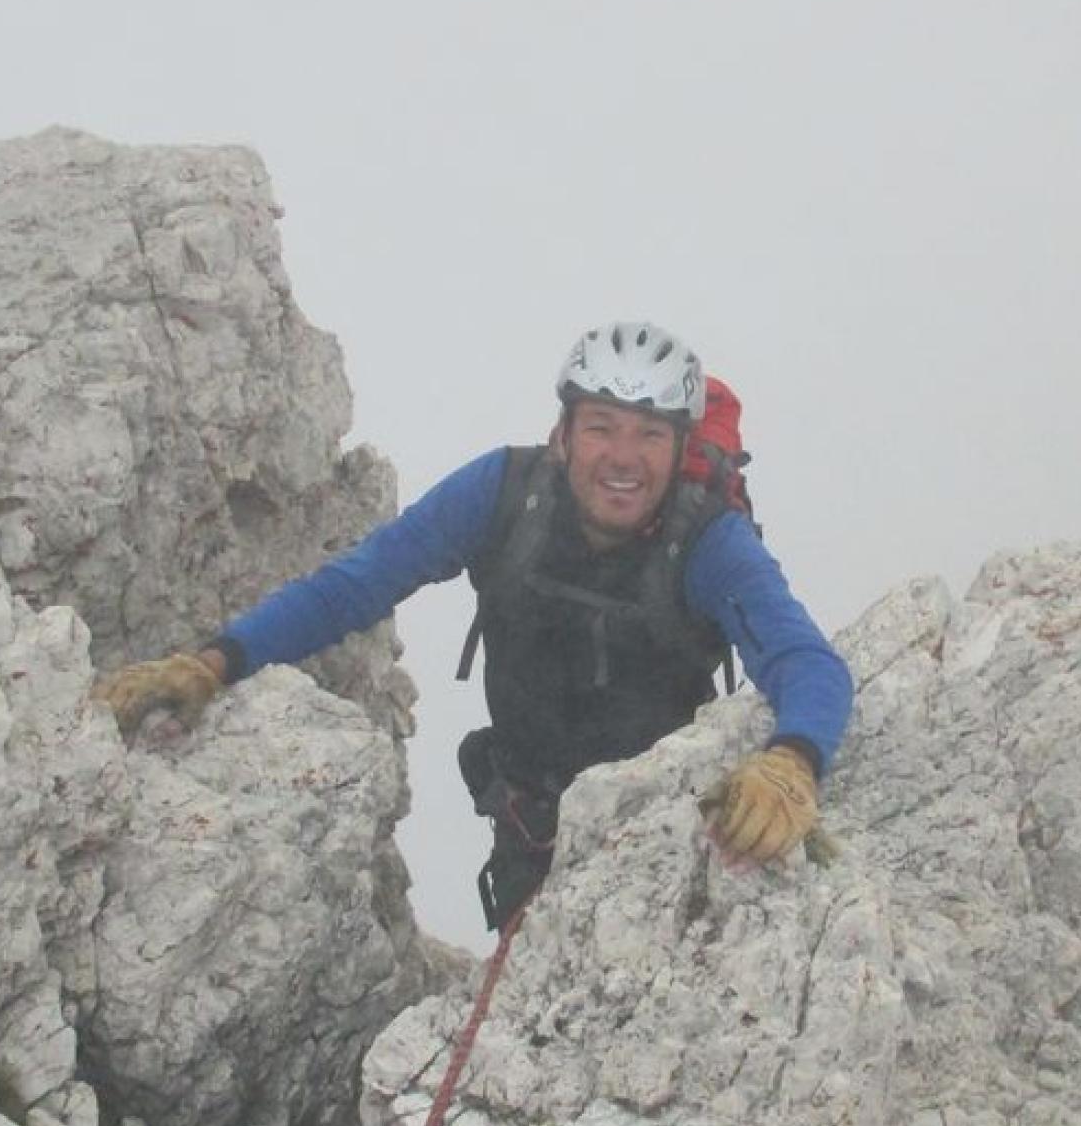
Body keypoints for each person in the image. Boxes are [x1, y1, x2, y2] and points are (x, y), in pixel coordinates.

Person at [94, 323, 853, 930]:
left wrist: (791, 762)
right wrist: (214, 663)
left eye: (651, 435)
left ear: (682, 448)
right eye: (602, 427)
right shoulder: (502, 494)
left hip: (668, 834)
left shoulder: (709, 542)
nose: (624, 457)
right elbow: (353, 587)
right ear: (563, 434)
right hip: (528, 823)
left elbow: (804, 661)